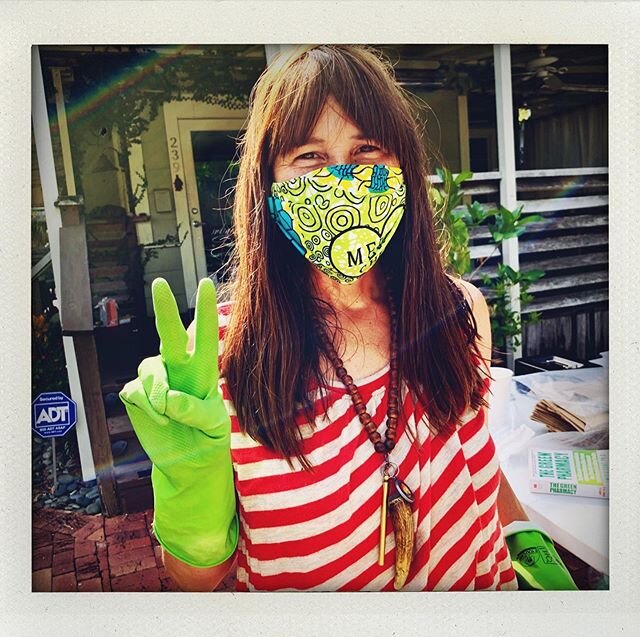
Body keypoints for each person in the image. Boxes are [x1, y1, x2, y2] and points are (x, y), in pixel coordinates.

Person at [120, 45, 578, 592]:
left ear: (403, 171)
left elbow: (475, 462)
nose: (341, 178)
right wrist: (188, 489)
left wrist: (527, 544)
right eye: (309, 156)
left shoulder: (456, 311)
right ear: (268, 184)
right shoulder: (219, 358)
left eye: (367, 150)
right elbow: (198, 581)